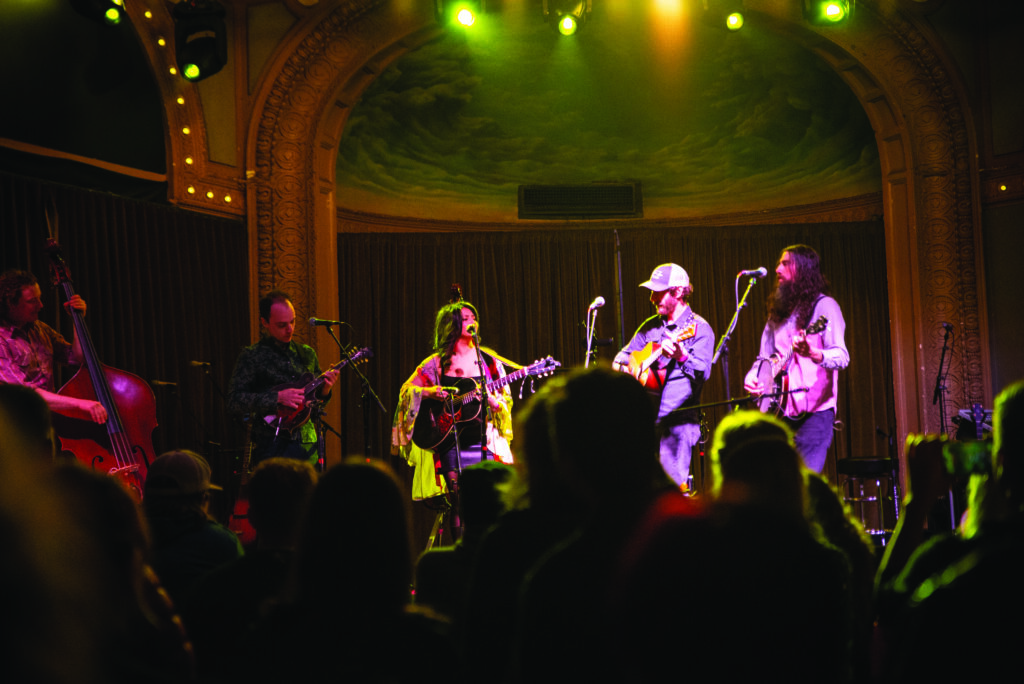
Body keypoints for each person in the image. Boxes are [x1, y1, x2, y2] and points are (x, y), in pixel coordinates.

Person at [391, 299, 515, 498]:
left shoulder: (489, 361)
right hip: (449, 440)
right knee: (459, 500)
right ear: (452, 325)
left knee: (490, 496)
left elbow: (504, 400)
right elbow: (406, 390)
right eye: (466, 318)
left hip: (483, 438)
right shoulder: (437, 362)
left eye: (474, 318)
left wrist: (494, 402)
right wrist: (430, 392)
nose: (472, 322)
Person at [743, 244, 849, 472]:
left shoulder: (824, 307)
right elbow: (763, 357)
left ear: (804, 269)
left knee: (804, 482)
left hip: (815, 413)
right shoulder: (777, 314)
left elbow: (841, 356)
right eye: (778, 263)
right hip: (780, 412)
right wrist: (754, 376)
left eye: (785, 263)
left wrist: (814, 353)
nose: (777, 269)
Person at [613, 263, 714, 488]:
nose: (652, 298)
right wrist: (629, 370)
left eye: (657, 292)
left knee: (669, 493)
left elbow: (703, 373)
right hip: (646, 422)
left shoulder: (698, 328)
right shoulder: (650, 327)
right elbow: (621, 358)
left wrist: (682, 356)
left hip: (678, 424)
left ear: (677, 292)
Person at [227, 290, 339, 465]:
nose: (290, 329)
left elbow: (315, 407)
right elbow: (235, 401)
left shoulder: (307, 354)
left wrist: (325, 391)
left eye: (293, 322)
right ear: (265, 322)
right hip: (271, 445)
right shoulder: (252, 356)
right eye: (281, 325)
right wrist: (278, 397)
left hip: (307, 444)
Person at [0, 269, 107, 424]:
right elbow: (25, 394)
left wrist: (77, 320)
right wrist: (81, 404)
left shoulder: (41, 330)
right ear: (11, 304)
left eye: (39, 299)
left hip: (48, 421)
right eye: (32, 301)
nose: (41, 305)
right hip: (17, 427)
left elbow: (78, 359)